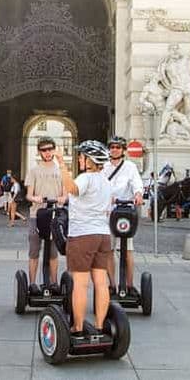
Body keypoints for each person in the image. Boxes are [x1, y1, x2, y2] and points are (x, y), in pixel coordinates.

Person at [58, 140, 112, 337]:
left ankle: (78, 327)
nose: (80, 159)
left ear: (91, 160)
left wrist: (62, 166)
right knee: (101, 282)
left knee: (80, 283)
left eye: (82, 156)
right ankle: (99, 326)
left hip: (82, 236)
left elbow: (71, 188)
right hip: (103, 235)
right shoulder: (106, 181)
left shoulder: (86, 178)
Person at [101, 136, 143, 295]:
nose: (115, 149)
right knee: (108, 250)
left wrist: (138, 194)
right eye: (112, 147)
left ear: (123, 150)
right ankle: (111, 285)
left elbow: (136, 182)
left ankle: (130, 286)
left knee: (128, 250)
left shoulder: (130, 167)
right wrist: (105, 197)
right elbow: (100, 184)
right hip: (108, 212)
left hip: (125, 213)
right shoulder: (103, 167)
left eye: (118, 147)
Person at [25, 136, 66, 294]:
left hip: (54, 214)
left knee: (53, 252)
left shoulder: (60, 170)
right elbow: (29, 194)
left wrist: (63, 198)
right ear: (39, 152)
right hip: (37, 214)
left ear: (54, 150)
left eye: (50, 149)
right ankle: (32, 284)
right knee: (34, 249)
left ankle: (54, 283)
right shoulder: (34, 170)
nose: (47, 153)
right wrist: (35, 198)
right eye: (44, 150)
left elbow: (65, 193)